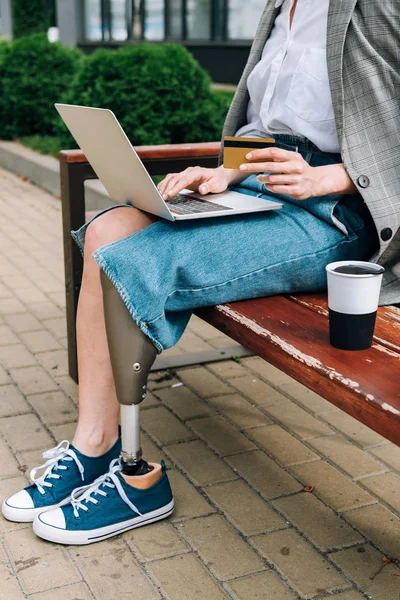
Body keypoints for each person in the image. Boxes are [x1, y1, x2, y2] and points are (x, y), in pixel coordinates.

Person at [2, 0, 399, 544]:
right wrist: (222, 172)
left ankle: (139, 482)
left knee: (138, 259)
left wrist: (335, 177)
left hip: (332, 212)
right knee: (107, 231)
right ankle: (95, 444)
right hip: (257, 185)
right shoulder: (279, 6)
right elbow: (263, 125)